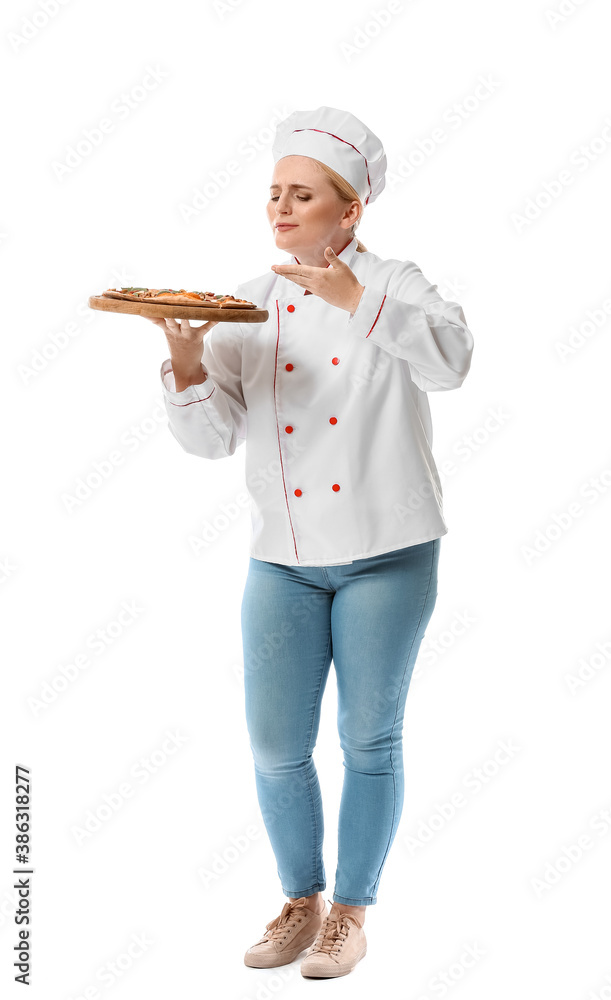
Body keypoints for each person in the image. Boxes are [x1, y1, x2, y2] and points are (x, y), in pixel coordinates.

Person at [145, 106, 474, 979]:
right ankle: (301, 901)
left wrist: (357, 303)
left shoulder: (397, 283)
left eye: (301, 195)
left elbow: (451, 362)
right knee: (273, 745)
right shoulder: (248, 302)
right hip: (282, 559)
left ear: (350, 210)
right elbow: (212, 439)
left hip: (388, 550)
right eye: (274, 194)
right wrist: (184, 366)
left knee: (368, 740)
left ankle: (351, 915)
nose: (280, 210)